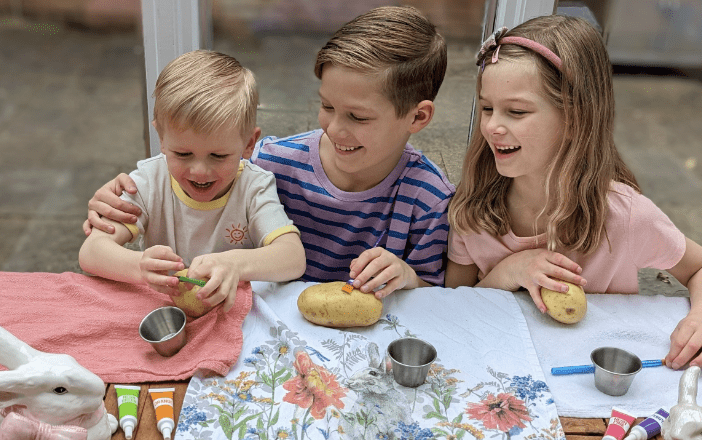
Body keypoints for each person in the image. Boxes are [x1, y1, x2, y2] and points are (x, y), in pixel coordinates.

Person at [82, 6, 454, 299]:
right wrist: (109, 203)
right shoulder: (266, 161)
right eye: (327, 106)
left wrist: (407, 278)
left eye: (357, 116)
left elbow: (436, 297)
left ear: (417, 116)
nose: (335, 128)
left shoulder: (430, 198)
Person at [445, 15, 702, 371]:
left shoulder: (625, 216)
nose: (491, 126)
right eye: (487, 108)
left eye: (516, 111)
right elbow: (453, 306)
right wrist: (507, 272)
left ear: (575, 119)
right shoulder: (474, 207)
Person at [79, 50, 306, 312]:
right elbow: (92, 251)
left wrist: (235, 264)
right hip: (165, 313)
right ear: (161, 139)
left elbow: (293, 257)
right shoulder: (147, 182)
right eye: (183, 154)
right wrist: (139, 266)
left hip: (233, 314)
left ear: (248, 145)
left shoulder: (254, 187)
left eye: (218, 156)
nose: (199, 171)